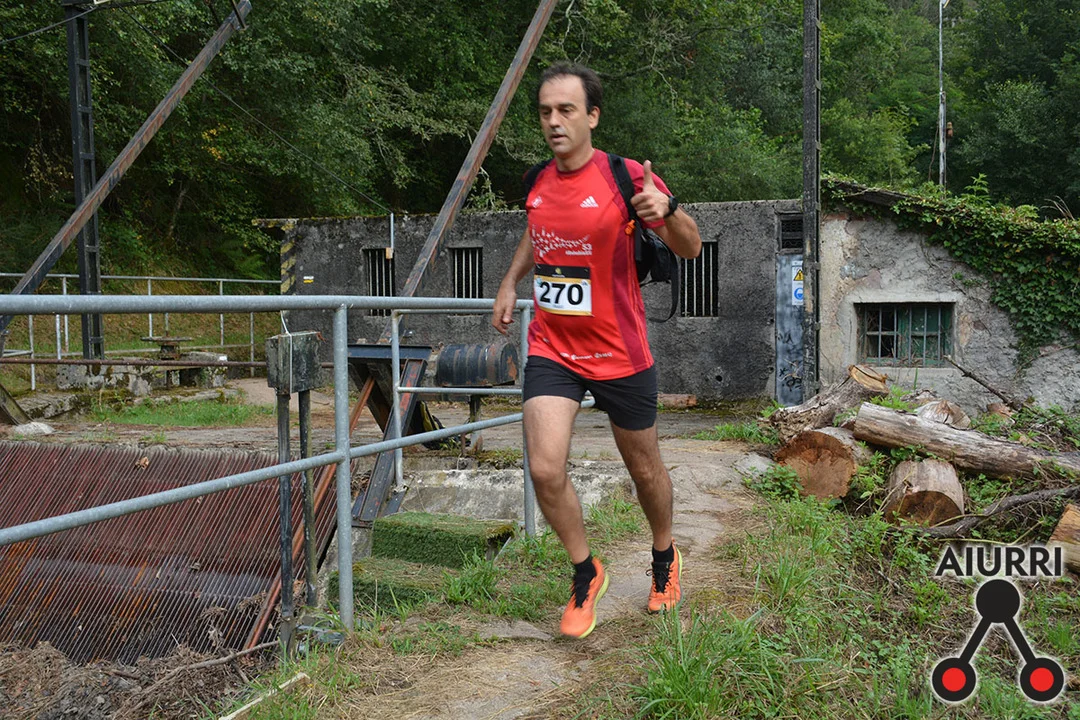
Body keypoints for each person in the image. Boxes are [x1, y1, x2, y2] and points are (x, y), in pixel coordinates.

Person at [491, 63, 702, 639]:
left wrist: (668, 210)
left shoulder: (623, 176)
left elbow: (690, 247)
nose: (554, 121)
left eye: (566, 110)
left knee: (643, 469)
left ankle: (664, 556)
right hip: (553, 348)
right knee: (543, 467)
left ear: (592, 116)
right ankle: (586, 572)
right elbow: (537, 229)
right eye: (545, 112)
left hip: (619, 352)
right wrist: (510, 281)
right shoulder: (537, 180)